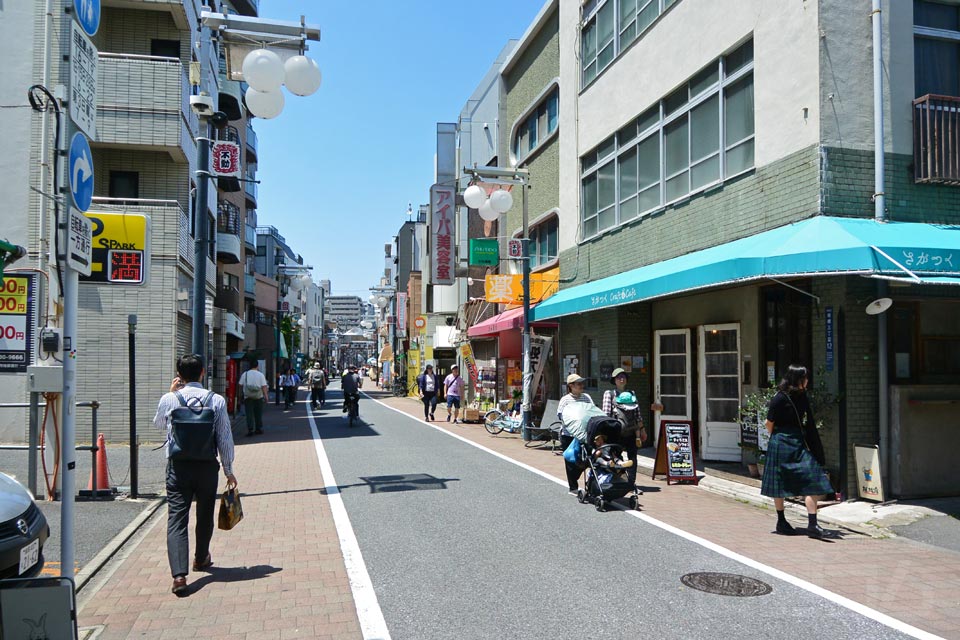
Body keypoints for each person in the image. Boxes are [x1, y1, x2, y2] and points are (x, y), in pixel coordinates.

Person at [154, 354, 237, 595]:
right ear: (203, 373)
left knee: (177, 518)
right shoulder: (216, 400)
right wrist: (229, 470)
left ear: (179, 375)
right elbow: (224, 438)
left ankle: (179, 576)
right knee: (204, 514)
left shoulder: (170, 399)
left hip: (178, 467)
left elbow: (159, 424)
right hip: (206, 466)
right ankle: (201, 558)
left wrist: (171, 392)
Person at [761, 364, 833, 538]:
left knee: (814, 478)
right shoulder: (779, 397)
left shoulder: (802, 396)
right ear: (798, 379)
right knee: (780, 483)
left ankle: (813, 524)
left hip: (795, 442)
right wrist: (780, 437)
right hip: (782, 441)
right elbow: (768, 423)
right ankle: (782, 521)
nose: (807, 381)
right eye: (805, 378)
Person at [603, 368, 646, 487]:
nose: (621, 379)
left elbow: (637, 414)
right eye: (618, 377)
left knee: (633, 458)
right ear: (614, 380)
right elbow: (606, 415)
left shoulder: (632, 394)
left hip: (632, 432)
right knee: (616, 457)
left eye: (623, 377)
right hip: (616, 432)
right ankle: (621, 480)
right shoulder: (609, 394)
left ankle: (631, 484)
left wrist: (642, 430)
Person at [557, 374, 596, 496]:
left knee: (588, 459)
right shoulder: (565, 399)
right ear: (571, 386)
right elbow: (560, 415)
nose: (581, 386)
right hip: (569, 435)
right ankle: (573, 487)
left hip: (585, 434)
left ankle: (589, 483)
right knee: (570, 461)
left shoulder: (586, 397)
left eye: (581, 383)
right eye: (578, 384)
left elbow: (593, 410)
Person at [237, 360, 268, 436]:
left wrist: (239, 395)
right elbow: (264, 386)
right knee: (258, 413)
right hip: (258, 397)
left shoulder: (245, 374)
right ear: (257, 366)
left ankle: (250, 429)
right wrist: (266, 396)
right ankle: (258, 429)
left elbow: (240, 385)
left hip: (248, 397)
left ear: (250, 366)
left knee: (249, 414)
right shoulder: (261, 375)